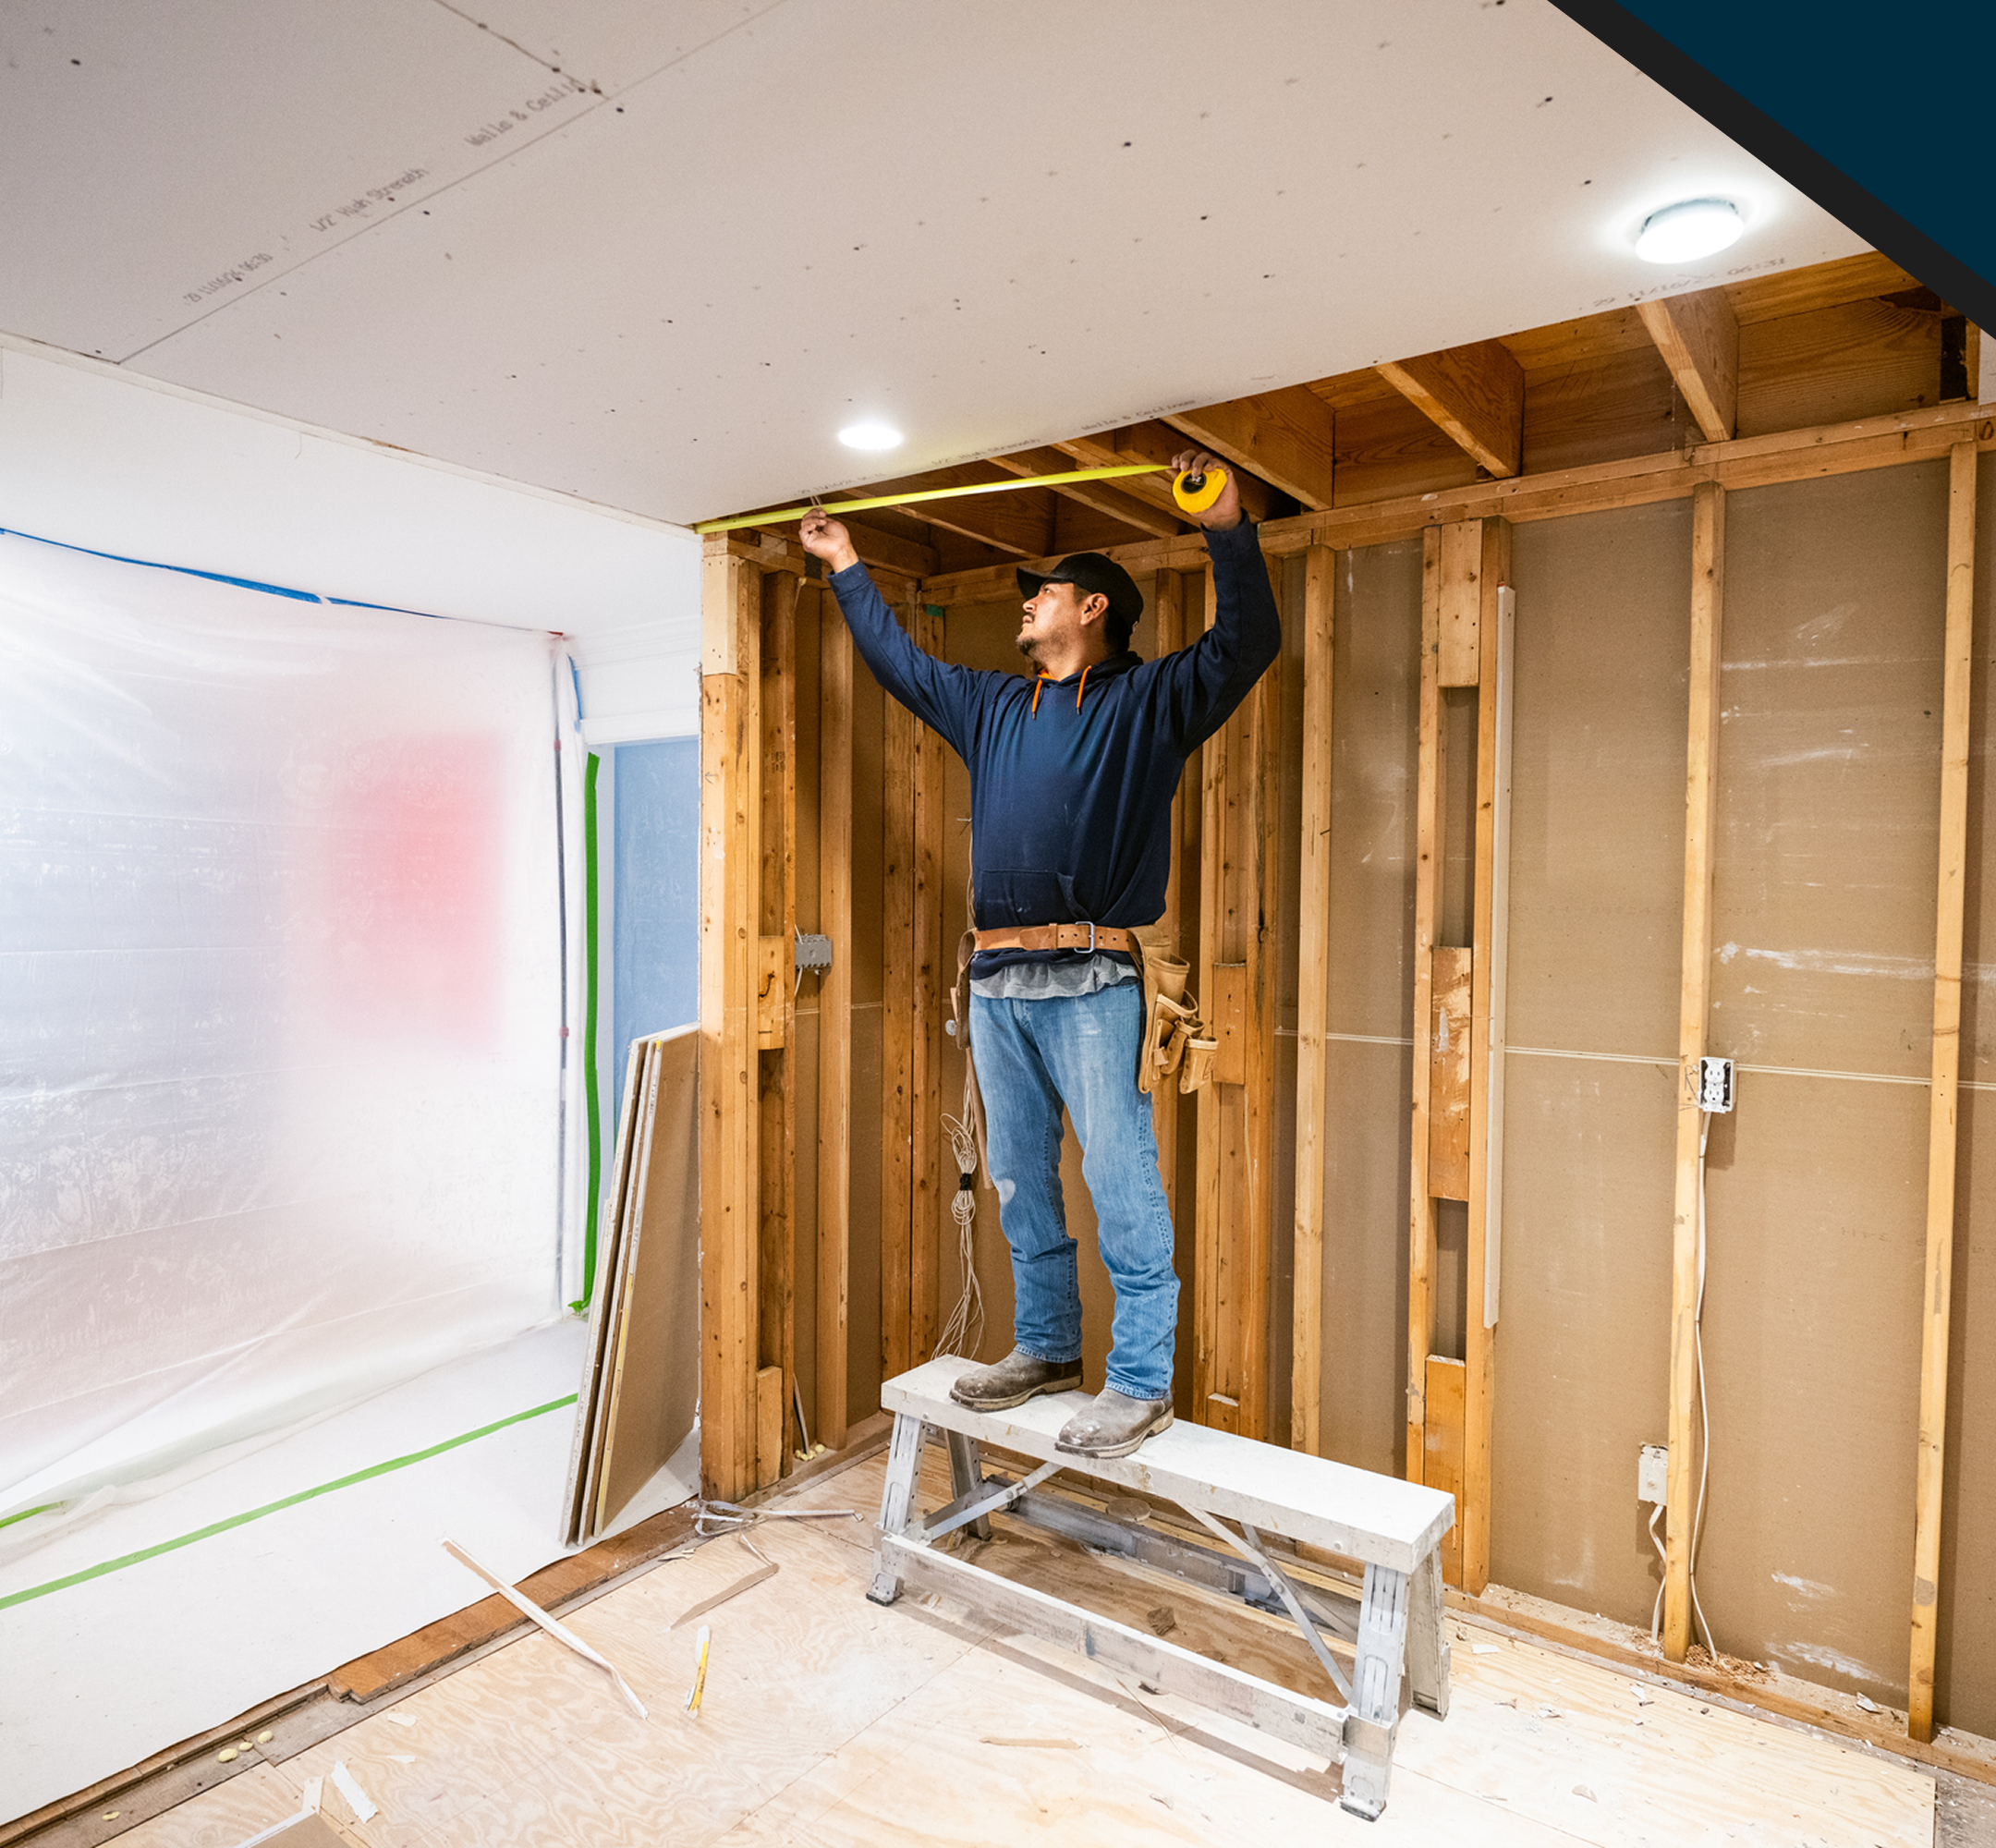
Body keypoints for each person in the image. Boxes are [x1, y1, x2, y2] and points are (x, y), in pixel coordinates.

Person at [798, 449, 1280, 1458]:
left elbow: (1247, 643)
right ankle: (1049, 1345)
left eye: (1044, 592)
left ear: (1094, 607)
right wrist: (845, 564)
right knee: (1019, 1176)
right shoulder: (992, 706)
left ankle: (1140, 1380)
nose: (1027, 604)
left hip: (1095, 981)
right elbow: (902, 667)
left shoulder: (1149, 702)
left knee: (1120, 1179)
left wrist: (1226, 526)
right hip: (996, 983)